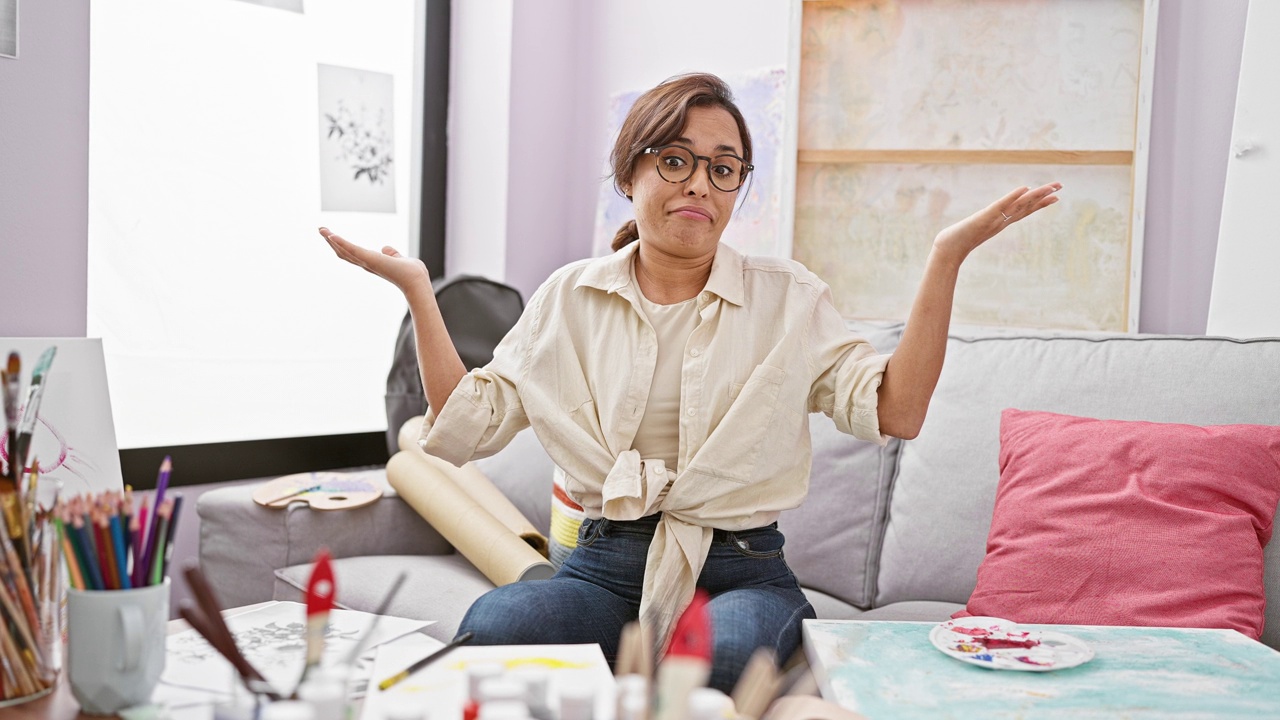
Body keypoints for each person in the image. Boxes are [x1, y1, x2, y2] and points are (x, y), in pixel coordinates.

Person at [320, 72, 1059, 692]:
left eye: (723, 166)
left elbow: (895, 411)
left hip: (741, 567)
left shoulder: (789, 298)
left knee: (716, 665)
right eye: (676, 160)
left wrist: (944, 260)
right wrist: (420, 291)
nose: (699, 184)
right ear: (630, 172)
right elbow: (466, 424)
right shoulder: (570, 296)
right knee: (495, 629)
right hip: (604, 564)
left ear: (738, 186)